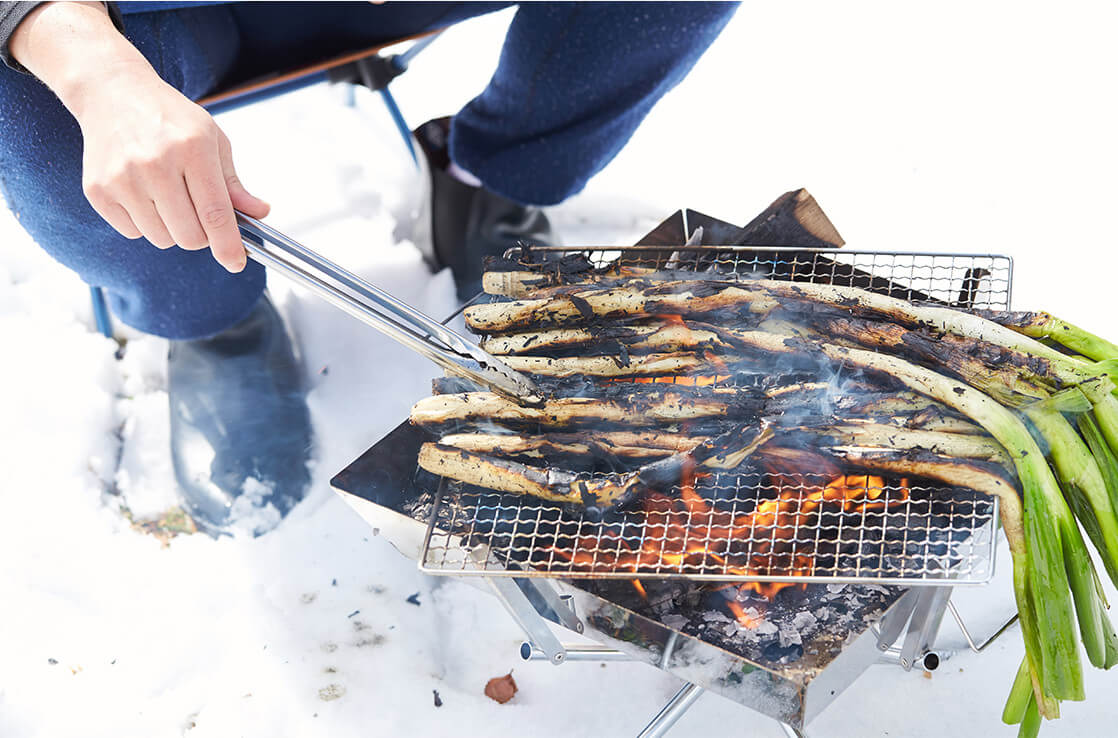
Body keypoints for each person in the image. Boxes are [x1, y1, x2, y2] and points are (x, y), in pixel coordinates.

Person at [0, 1, 738, 534]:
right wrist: (95, 70)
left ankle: (490, 186)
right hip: (170, 16)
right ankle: (213, 320)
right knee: (39, 109)